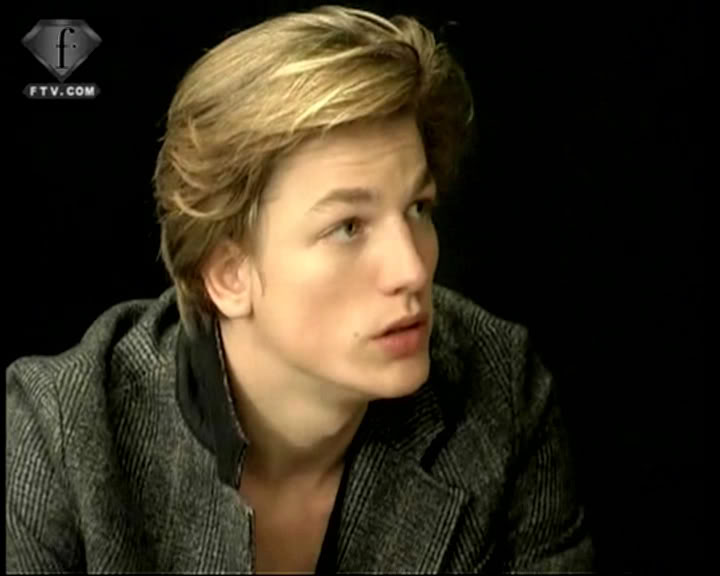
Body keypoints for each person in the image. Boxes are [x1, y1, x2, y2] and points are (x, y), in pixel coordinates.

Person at [6, 5, 594, 573]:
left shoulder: (501, 391)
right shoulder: (60, 434)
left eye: (418, 207)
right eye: (348, 227)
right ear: (228, 274)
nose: (413, 270)